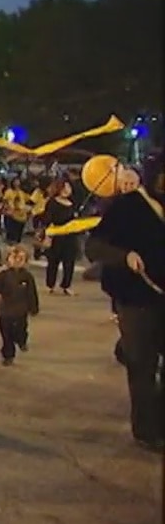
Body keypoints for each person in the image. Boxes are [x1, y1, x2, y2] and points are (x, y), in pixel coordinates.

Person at [85, 161, 164, 453]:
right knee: (142, 364)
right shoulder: (127, 207)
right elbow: (93, 247)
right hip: (135, 299)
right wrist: (124, 255)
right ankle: (146, 430)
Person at [0, 245, 41, 366]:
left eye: (21, 258)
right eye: (14, 257)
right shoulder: (3, 275)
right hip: (6, 310)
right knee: (6, 334)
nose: (17, 260)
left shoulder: (27, 277)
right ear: (8, 259)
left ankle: (22, 340)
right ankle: (8, 355)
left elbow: (32, 293)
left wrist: (34, 307)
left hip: (21, 311)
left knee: (20, 330)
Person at [39, 179, 79, 295]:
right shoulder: (52, 202)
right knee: (53, 261)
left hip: (70, 236)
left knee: (69, 262)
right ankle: (50, 284)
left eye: (68, 187)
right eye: (64, 187)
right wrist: (47, 234)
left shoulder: (72, 203)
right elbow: (47, 219)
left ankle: (66, 285)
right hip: (56, 235)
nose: (67, 190)